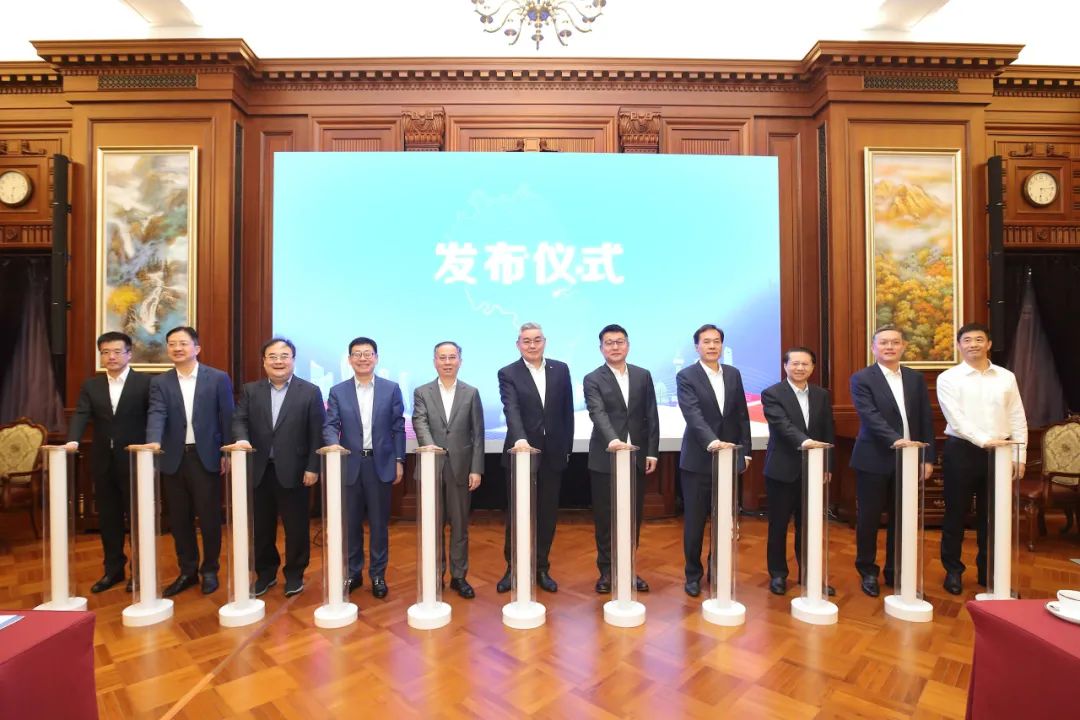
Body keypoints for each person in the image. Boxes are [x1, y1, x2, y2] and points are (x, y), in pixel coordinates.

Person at [936, 322, 1027, 595]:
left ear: (988, 344)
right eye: (967, 340)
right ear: (959, 346)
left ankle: (989, 572)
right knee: (955, 514)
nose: (973, 344)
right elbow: (956, 419)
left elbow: (1017, 416)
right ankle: (953, 571)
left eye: (978, 339)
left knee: (993, 517)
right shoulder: (949, 378)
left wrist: (1019, 455)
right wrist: (985, 441)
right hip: (962, 451)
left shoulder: (1006, 377)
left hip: (1001, 453)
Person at [143, 326, 234, 597]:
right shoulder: (160, 382)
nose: (177, 348)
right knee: (179, 519)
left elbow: (227, 416)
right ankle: (187, 571)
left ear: (197, 348)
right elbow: (156, 413)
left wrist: (227, 453)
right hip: (172, 458)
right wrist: (153, 441)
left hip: (205, 457)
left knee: (209, 518)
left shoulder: (217, 378)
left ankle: (210, 570)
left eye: (183, 343)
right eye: (172, 344)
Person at [232, 338, 326, 598]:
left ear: (293, 360)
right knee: (261, 527)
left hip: (296, 471)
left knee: (296, 527)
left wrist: (313, 467)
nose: (278, 361)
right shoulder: (251, 390)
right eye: (272, 356)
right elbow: (239, 420)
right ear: (264, 362)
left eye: (284, 356)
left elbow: (316, 432)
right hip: (259, 470)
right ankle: (265, 573)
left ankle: (295, 573)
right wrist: (242, 439)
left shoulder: (310, 391)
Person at [850, 325, 935, 598]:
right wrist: (897, 439)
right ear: (873, 348)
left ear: (903, 346)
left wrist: (926, 457)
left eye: (895, 342)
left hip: (909, 460)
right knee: (869, 518)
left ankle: (895, 571)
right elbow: (870, 416)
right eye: (883, 343)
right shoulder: (862, 378)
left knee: (903, 519)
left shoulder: (915, 378)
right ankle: (868, 571)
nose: (889, 347)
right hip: (873, 459)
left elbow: (925, 418)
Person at [65, 331, 151, 594]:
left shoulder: (146, 383)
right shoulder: (91, 386)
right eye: (105, 352)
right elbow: (81, 414)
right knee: (109, 518)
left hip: (135, 460)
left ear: (129, 354)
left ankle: (140, 571)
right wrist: (73, 440)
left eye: (116, 351)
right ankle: (113, 570)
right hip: (103, 461)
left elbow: (155, 417)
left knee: (137, 518)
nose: (111, 357)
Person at [323, 337, 405, 600]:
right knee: (351, 524)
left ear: (376, 358)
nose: (362, 358)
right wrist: (333, 445)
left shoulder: (391, 389)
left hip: (380, 465)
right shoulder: (338, 391)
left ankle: (378, 574)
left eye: (367, 353)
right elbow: (330, 425)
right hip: (349, 465)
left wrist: (399, 460)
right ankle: (353, 572)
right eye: (357, 354)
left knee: (379, 525)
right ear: (349, 360)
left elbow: (398, 428)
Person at [496, 322, 574, 594]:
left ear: (545, 342)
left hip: (553, 454)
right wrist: (520, 439)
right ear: (518, 344)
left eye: (537, 340)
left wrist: (566, 447)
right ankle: (513, 568)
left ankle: (541, 567)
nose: (532, 345)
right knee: (518, 514)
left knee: (547, 514)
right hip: (521, 453)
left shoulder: (561, 369)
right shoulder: (508, 373)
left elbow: (567, 412)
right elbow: (511, 409)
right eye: (526, 341)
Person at [582, 324, 659, 594]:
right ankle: (606, 571)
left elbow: (651, 415)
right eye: (609, 343)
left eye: (620, 342)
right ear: (601, 348)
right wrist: (613, 440)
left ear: (628, 345)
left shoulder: (642, 375)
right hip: (605, 458)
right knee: (606, 519)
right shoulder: (592, 378)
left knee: (632, 518)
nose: (615, 347)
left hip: (636, 457)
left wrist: (652, 451)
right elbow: (597, 413)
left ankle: (628, 569)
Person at [676, 324, 752, 598]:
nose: (712, 346)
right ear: (696, 346)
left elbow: (741, 414)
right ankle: (693, 575)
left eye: (716, 341)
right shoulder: (686, 376)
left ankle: (717, 570)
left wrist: (746, 451)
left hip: (729, 458)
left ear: (722, 345)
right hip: (698, 460)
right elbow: (693, 415)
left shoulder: (733, 374)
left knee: (723, 521)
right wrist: (713, 442)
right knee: (695, 523)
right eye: (706, 341)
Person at [412, 341, 485, 599]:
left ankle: (459, 576)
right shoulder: (422, 392)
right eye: (442, 357)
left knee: (460, 525)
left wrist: (476, 469)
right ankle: (434, 575)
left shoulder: (471, 392)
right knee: (432, 526)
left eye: (452, 357)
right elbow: (419, 420)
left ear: (459, 361)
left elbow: (478, 434)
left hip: (461, 469)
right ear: (435, 361)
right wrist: (430, 447)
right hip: (431, 467)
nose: (447, 362)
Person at [760, 347, 836, 596]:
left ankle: (809, 575)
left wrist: (827, 464)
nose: (800, 368)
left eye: (805, 364)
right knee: (779, 525)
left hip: (814, 470)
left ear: (812, 367)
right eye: (795, 363)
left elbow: (827, 430)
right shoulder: (772, 393)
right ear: (785, 366)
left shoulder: (821, 395)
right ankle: (778, 575)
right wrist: (806, 442)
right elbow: (782, 425)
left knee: (810, 525)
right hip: (782, 469)